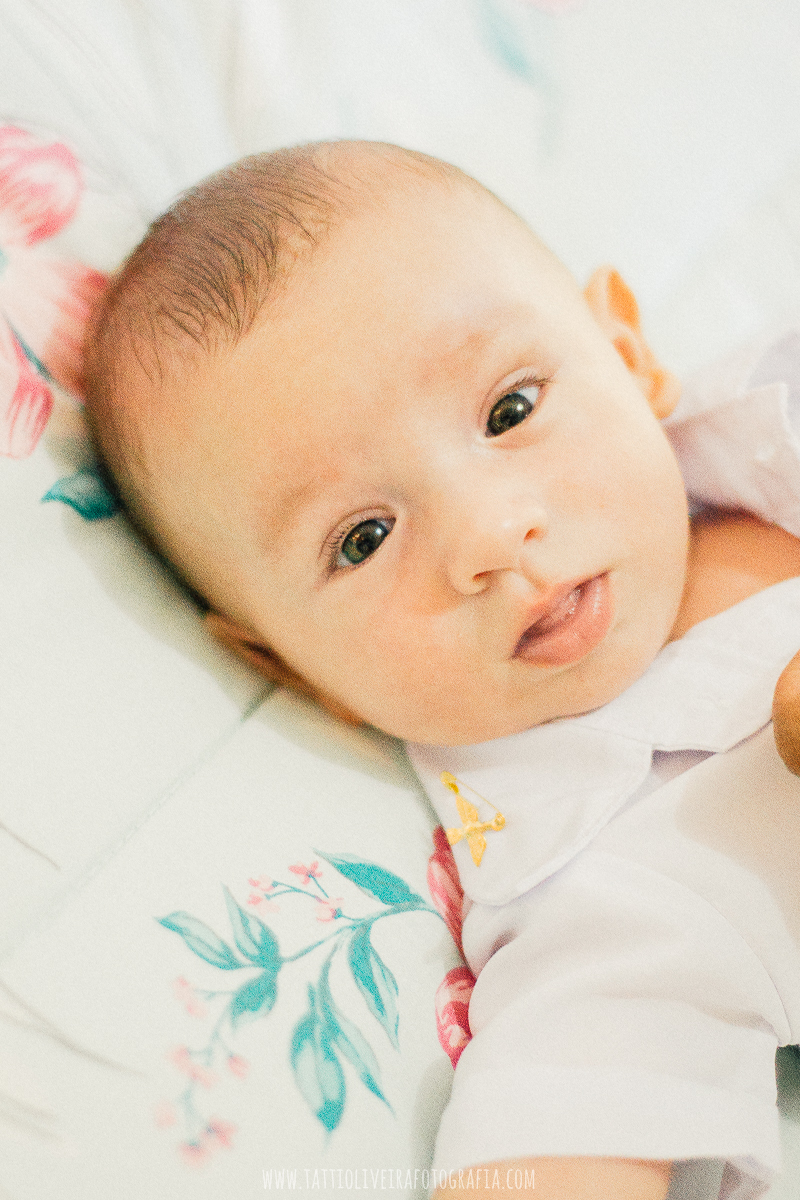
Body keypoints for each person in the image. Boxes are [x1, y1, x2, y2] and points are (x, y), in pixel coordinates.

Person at [83, 140, 800, 1200]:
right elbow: (552, 1141)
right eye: (363, 538)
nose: (488, 535)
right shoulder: (618, 884)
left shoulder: (766, 402)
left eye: (510, 410)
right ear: (293, 667)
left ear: (625, 351)